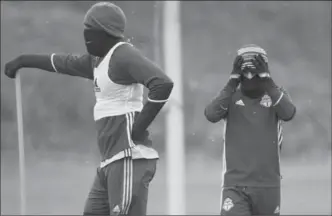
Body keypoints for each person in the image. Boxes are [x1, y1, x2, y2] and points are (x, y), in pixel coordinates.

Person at [4, 2, 174, 216]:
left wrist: (138, 129)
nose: (86, 37)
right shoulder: (98, 61)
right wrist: (23, 60)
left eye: (90, 31)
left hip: (129, 158)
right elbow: (63, 62)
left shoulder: (123, 55)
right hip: (109, 163)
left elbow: (163, 83)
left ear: (105, 33)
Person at [204, 44, 296, 216]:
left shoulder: (276, 95)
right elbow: (211, 114)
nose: (249, 77)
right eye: (245, 71)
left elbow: (289, 113)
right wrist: (232, 80)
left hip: (268, 186)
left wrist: (268, 81)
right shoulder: (230, 96)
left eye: (255, 71)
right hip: (235, 185)